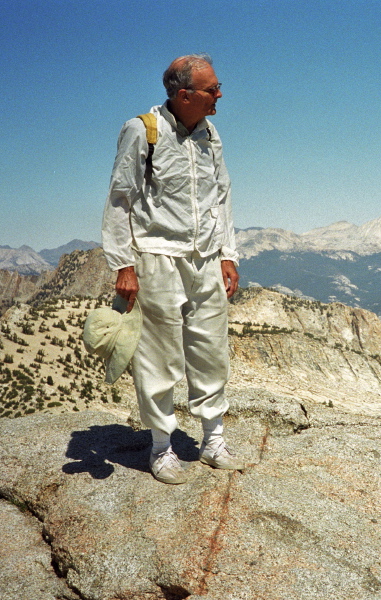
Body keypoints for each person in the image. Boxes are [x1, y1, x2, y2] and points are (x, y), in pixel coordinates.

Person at [101, 54, 242, 484]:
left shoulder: (210, 134)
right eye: (212, 88)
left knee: (211, 350)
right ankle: (161, 447)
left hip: (204, 256)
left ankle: (213, 439)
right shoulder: (142, 131)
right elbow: (120, 198)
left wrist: (228, 252)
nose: (220, 94)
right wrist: (124, 264)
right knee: (158, 355)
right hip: (157, 256)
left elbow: (222, 195)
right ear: (184, 95)